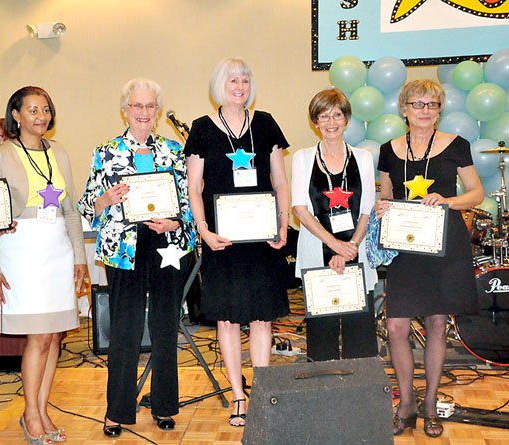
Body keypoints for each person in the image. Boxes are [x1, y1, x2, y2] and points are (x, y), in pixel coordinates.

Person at [78, 78, 196, 437]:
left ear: (158, 112)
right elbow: (86, 204)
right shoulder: (106, 151)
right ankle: (117, 411)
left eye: (150, 106)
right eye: (137, 106)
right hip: (124, 249)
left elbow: (191, 204)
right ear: (125, 110)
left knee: (165, 327)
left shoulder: (175, 150)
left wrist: (175, 220)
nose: (144, 113)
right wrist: (105, 199)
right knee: (125, 331)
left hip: (167, 245)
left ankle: (163, 405)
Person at [185, 57, 290, 427]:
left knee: (262, 318)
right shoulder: (201, 128)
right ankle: (239, 396)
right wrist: (202, 230)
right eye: (233, 80)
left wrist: (283, 224)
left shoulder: (265, 124)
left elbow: (280, 182)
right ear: (219, 85)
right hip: (222, 241)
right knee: (228, 321)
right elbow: (194, 187)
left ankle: (263, 391)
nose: (240, 86)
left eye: (246, 79)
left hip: (262, 240)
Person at [376, 79, 483, 438]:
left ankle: (431, 404)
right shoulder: (387, 150)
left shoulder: (457, 145)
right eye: (418, 104)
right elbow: (387, 197)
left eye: (432, 104)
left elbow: (477, 194)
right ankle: (405, 403)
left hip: (444, 245)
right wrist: (381, 206)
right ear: (404, 108)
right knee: (396, 327)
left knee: (438, 324)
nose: (425, 111)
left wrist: (446, 200)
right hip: (407, 246)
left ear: (440, 110)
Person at [0, 86, 88, 444]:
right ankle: (30, 414)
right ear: (16, 114)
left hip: (56, 248)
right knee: (38, 336)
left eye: (45, 109)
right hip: (22, 251)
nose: (41, 116)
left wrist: (79, 257)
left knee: (55, 334)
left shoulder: (58, 152)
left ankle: (43, 410)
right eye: (32, 110)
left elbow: (71, 210)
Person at [291, 88, 378, 361]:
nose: (331, 122)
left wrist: (348, 248)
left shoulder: (363, 157)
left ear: (346, 119)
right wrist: (334, 245)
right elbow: (300, 209)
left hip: (357, 251)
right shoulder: (302, 158)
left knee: (359, 330)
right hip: (316, 253)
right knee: (321, 332)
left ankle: (360, 395)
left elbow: (367, 209)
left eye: (337, 115)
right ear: (315, 121)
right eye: (324, 116)